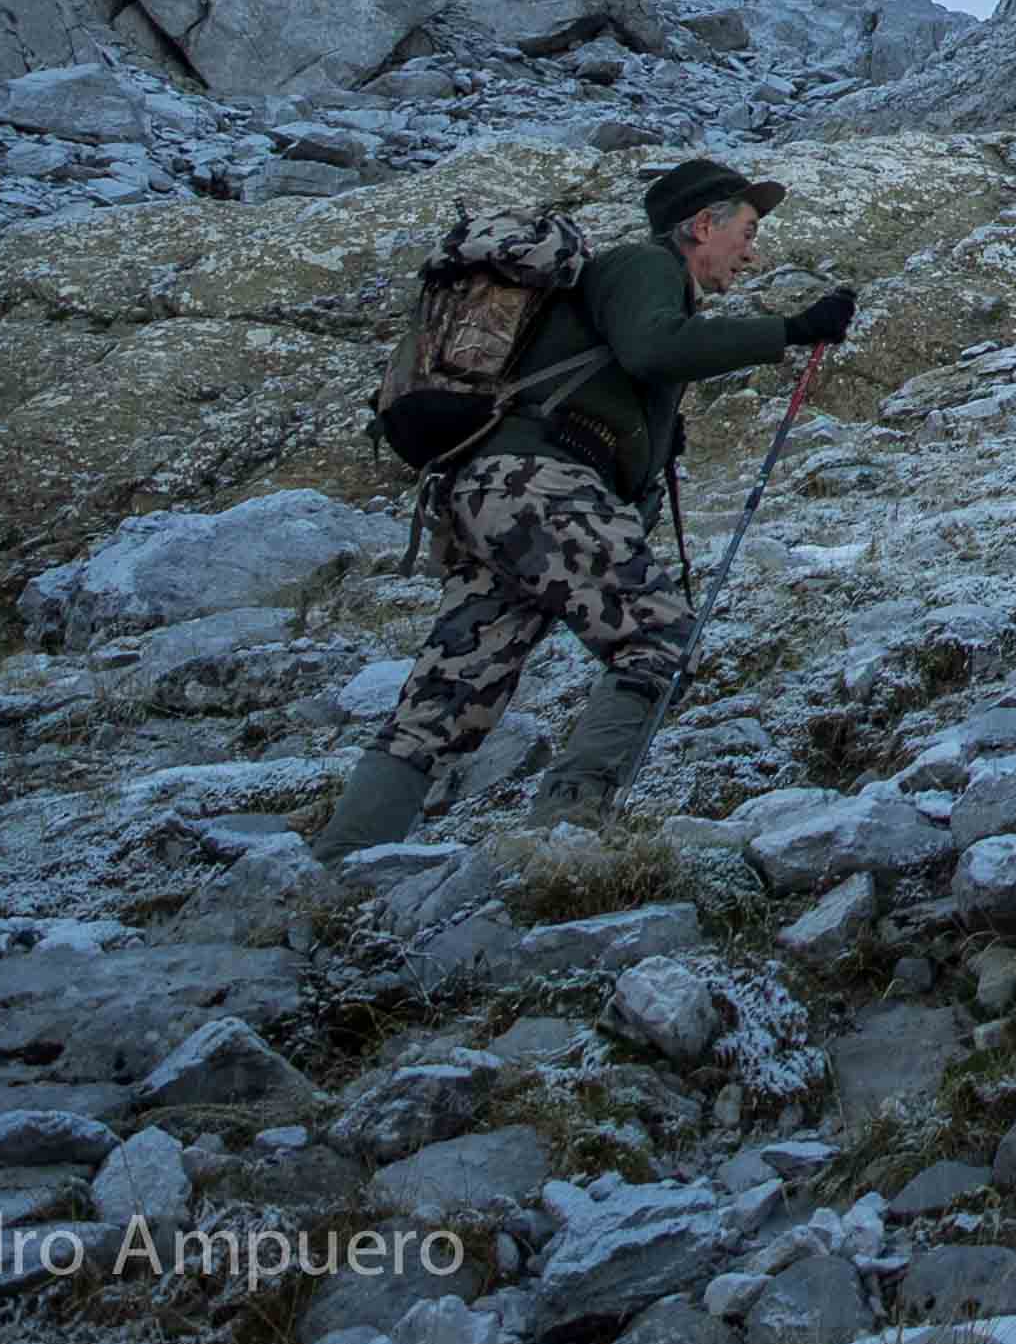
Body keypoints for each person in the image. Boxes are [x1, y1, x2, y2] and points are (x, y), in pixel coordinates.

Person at [311, 156, 855, 854]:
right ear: (701, 225)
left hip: (494, 497)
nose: (752, 253)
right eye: (747, 232)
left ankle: (338, 861)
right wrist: (790, 330)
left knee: (446, 698)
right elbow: (654, 349)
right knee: (658, 636)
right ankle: (567, 835)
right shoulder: (645, 266)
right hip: (537, 486)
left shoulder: (627, 285)